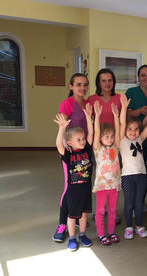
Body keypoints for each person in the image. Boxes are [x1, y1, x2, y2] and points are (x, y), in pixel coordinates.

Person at [119, 94, 147, 240]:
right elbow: (121, 124)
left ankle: (138, 226)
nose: (133, 132)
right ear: (125, 130)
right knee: (129, 203)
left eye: (135, 129)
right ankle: (128, 227)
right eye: (130, 129)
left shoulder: (140, 138)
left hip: (141, 176)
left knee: (139, 203)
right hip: (127, 176)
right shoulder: (122, 141)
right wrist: (124, 108)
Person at [52, 73, 89, 243]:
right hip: (71, 153)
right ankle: (62, 224)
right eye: (79, 84)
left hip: (85, 151)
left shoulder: (88, 104)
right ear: (71, 86)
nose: (82, 87)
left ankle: (77, 216)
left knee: (83, 185)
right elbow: (63, 128)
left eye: (85, 84)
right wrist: (67, 149)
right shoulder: (67, 104)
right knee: (70, 188)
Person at [88, 68, 122, 225]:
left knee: (113, 174)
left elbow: (122, 121)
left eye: (110, 80)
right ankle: (100, 210)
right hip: (98, 145)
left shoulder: (119, 98)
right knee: (101, 175)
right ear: (98, 83)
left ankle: (111, 211)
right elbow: (88, 121)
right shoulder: (92, 99)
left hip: (114, 143)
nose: (107, 83)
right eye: (103, 80)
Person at [92, 101, 122, 246]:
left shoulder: (115, 147)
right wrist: (97, 116)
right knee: (100, 211)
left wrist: (116, 116)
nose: (109, 139)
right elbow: (97, 132)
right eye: (106, 136)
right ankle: (101, 234)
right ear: (100, 139)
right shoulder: (98, 149)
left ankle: (111, 232)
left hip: (114, 185)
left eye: (111, 136)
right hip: (102, 186)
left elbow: (117, 131)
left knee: (112, 210)